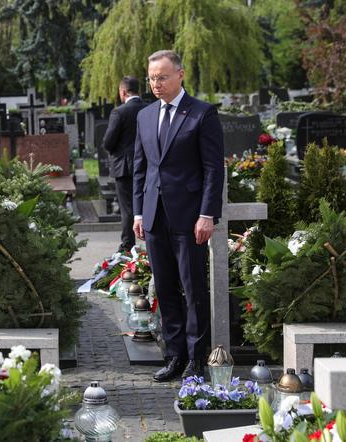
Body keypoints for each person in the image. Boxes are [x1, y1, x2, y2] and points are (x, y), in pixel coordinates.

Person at [132, 50, 224, 381]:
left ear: (180, 75)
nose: (156, 84)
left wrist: (207, 214)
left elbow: (213, 169)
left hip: (190, 219)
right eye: (151, 78)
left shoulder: (202, 114)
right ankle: (174, 356)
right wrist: (138, 212)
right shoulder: (144, 116)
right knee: (166, 289)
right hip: (154, 217)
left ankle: (197, 361)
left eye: (162, 77)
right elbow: (140, 168)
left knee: (193, 291)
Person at [102, 76, 146, 253]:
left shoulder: (119, 112)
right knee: (146, 204)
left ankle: (128, 245)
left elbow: (108, 142)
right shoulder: (150, 108)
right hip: (148, 165)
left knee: (128, 207)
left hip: (125, 168)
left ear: (123, 92)